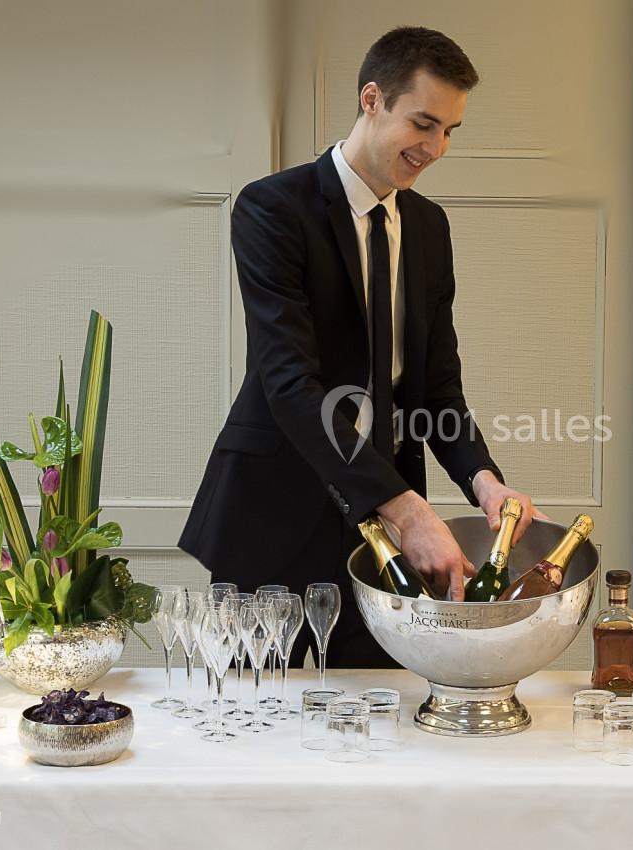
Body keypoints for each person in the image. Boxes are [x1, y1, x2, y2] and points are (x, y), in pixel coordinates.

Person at [180, 27, 544, 668]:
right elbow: (290, 385)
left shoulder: (429, 228)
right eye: (423, 124)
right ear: (371, 99)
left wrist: (484, 482)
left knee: (384, 717)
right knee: (253, 716)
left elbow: (437, 388)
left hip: (385, 539)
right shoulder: (272, 209)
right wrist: (409, 511)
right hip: (274, 515)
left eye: (450, 131)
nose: (435, 148)